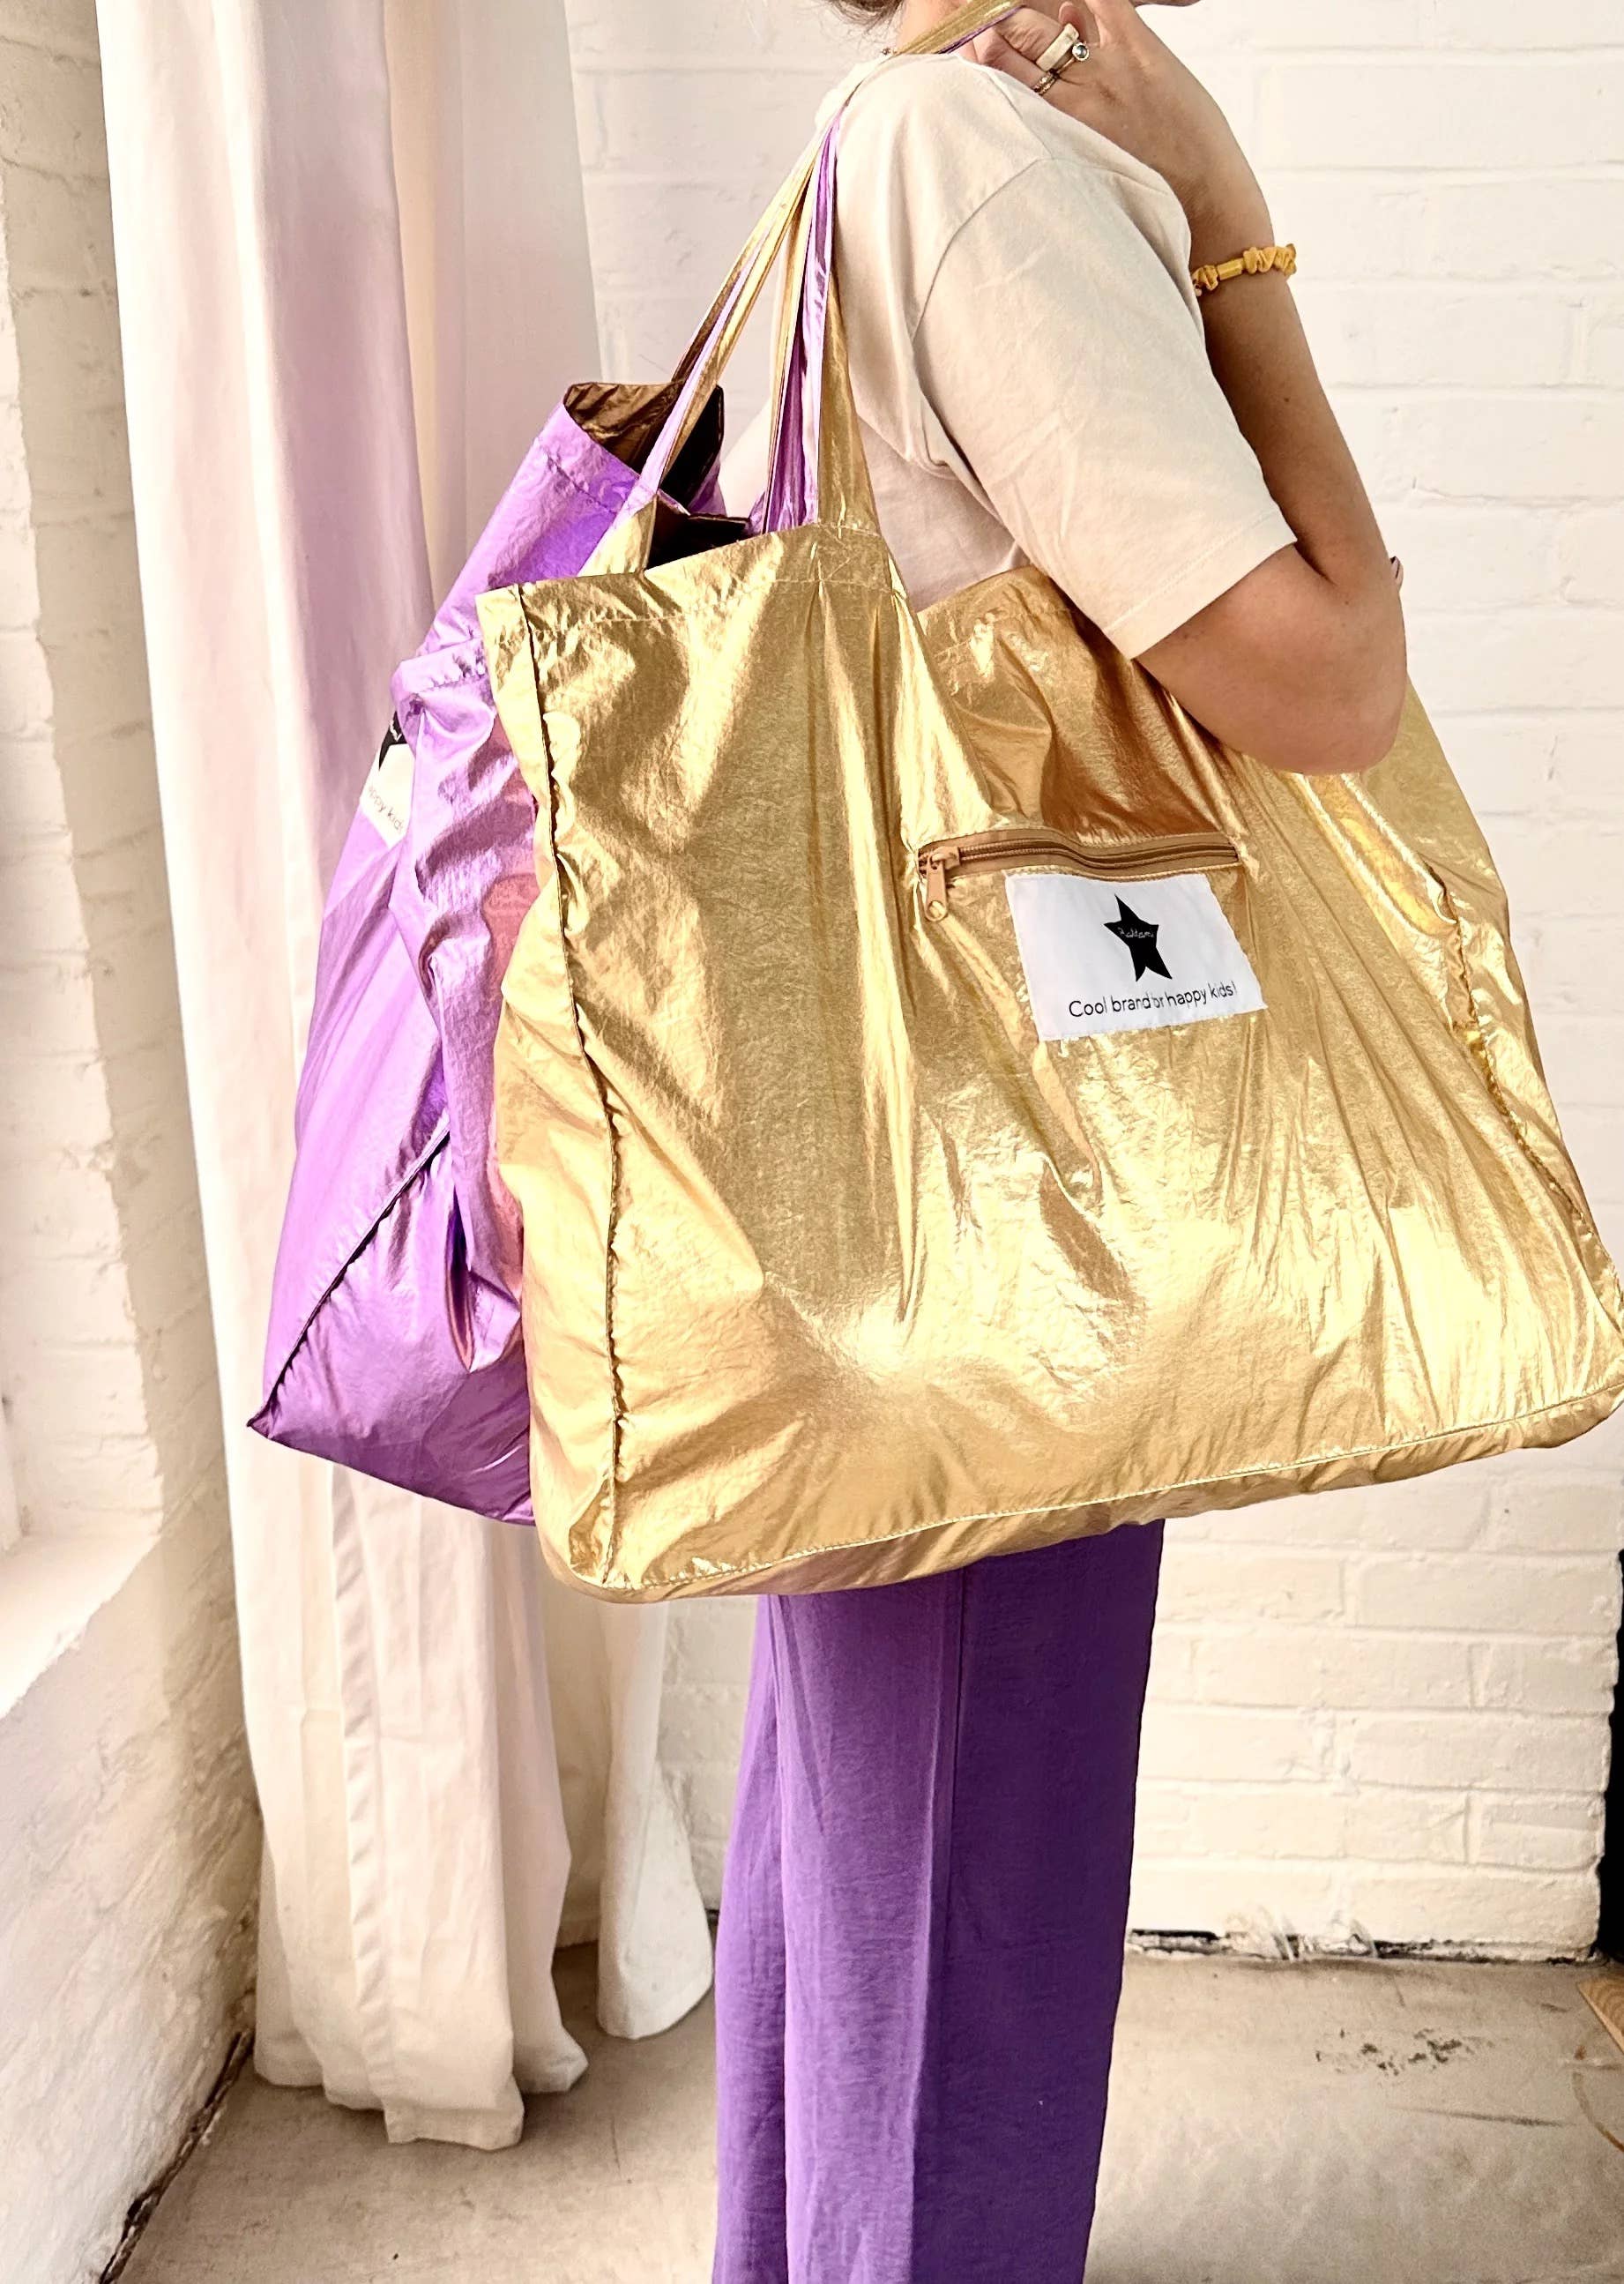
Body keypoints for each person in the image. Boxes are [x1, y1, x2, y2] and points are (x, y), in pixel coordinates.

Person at [711, 5, 1408, 2279]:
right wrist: (1226, 222)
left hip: (884, 1146)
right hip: (1015, 1188)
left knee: (869, 1816)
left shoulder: (869, 144)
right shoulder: (978, 162)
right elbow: (1322, 681)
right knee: (972, 1834)